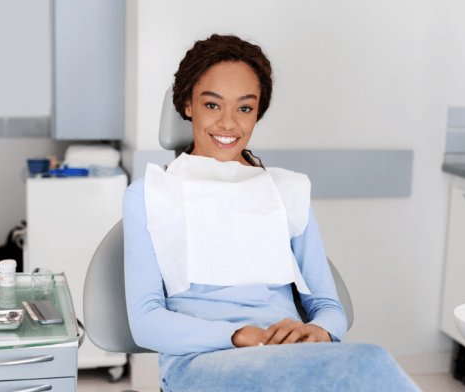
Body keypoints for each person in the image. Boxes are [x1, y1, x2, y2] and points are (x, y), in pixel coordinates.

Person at [123, 34, 422, 392]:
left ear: (257, 113)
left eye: (244, 108)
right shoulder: (150, 194)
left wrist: (318, 330)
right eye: (213, 105)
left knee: (372, 360)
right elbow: (146, 321)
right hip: (201, 362)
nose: (229, 124)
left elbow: (328, 306)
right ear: (188, 105)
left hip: (287, 354)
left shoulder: (286, 192)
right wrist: (238, 336)